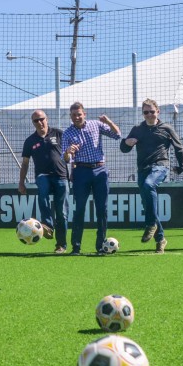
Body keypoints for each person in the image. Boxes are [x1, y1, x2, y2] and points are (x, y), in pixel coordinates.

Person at [120, 98, 183, 254]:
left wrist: (181, 166)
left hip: (160, 166)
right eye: (146, 112)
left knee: (149, 185)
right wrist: (126, 143)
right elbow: (124, 148)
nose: (149, 115)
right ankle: (161, 239)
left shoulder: (166, 128)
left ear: (158, 112)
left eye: (152, 111)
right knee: (148, 205)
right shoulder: (137, 129)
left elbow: (179, 148)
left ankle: (150, 224)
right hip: (142, 169)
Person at [62, 102, 121, 255]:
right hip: (81, 171)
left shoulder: (96, 125)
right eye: (74, 115)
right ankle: (76, 247)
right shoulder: (67, 133)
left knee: (102, 209)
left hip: (100, 170)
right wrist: (69, 151)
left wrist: (108, 121)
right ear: (70, 116)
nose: (77, 117)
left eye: (79, 114)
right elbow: (66, 158)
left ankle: (101, 246)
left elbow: (117, 135)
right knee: (79, 209)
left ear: (84, 114)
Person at [18, 109, 69, 254]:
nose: (40, 122)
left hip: (61, 176)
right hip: (43, 175)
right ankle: (47, 225)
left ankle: (61, 245)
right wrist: (21, 182)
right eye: (36, 120)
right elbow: (25, 163)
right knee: (43, 188)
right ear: (33, 123)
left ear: (47, 119)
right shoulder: (30, 141)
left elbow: (69, 154)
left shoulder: (59, 134)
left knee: (62, 213)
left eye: (42, 119)